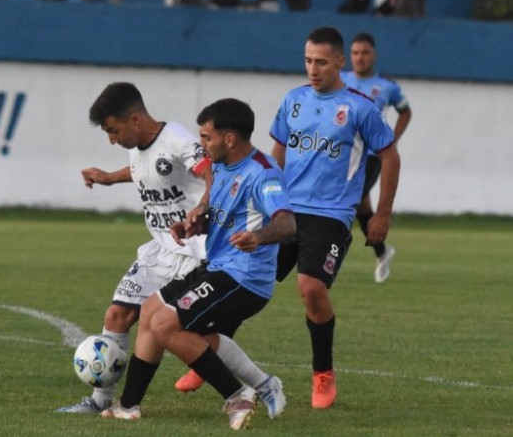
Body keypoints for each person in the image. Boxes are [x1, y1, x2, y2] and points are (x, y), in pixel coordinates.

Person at [101, 98, 295, 429]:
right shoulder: (220, 165)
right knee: (150, 312)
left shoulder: (262, 173)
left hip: (244, 278)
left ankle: (237, 396)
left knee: (166, 326)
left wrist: (259, 237)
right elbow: (212, 207)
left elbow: (288, 224)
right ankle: (128, 406)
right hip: (218, 267)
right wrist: (193, 221)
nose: (201, 144)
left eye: (206, 137)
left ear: (229, 139)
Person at [54, 82, 212, 414]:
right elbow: (147, 168)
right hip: (159, 250)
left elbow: (214, 171)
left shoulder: (178, 140)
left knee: (174, 331)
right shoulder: (138, 144)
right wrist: (110, 177)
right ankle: (99, 402)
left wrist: (202, 209)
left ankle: (250, 386)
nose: (112, 139)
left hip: (192, 251)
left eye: (113, 131)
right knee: (117, 314)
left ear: (135, 119)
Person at [270, 26, 400, 409]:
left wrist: (383, 215)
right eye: (308, 60)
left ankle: (322, 372)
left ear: (340, 62)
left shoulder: (361, 106)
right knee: (242, 279)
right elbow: (276, 154)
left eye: (322, 62)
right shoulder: (292, 100)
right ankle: (208, 353)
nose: (313, 68)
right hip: (286, 211)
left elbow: (390, 157)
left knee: (311, 288)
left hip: (330, 215)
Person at [341, 32, 411, 283]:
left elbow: (405, 112)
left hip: (370, 155)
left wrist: (391, 140)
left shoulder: (387, 86)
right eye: (355, 53)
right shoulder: (340, 79)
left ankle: (329, 255)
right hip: (344, 153)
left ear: (374, 55)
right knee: (361, 206)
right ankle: (382, 252)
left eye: (365, 53)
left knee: (351, 198)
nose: (359, 58)